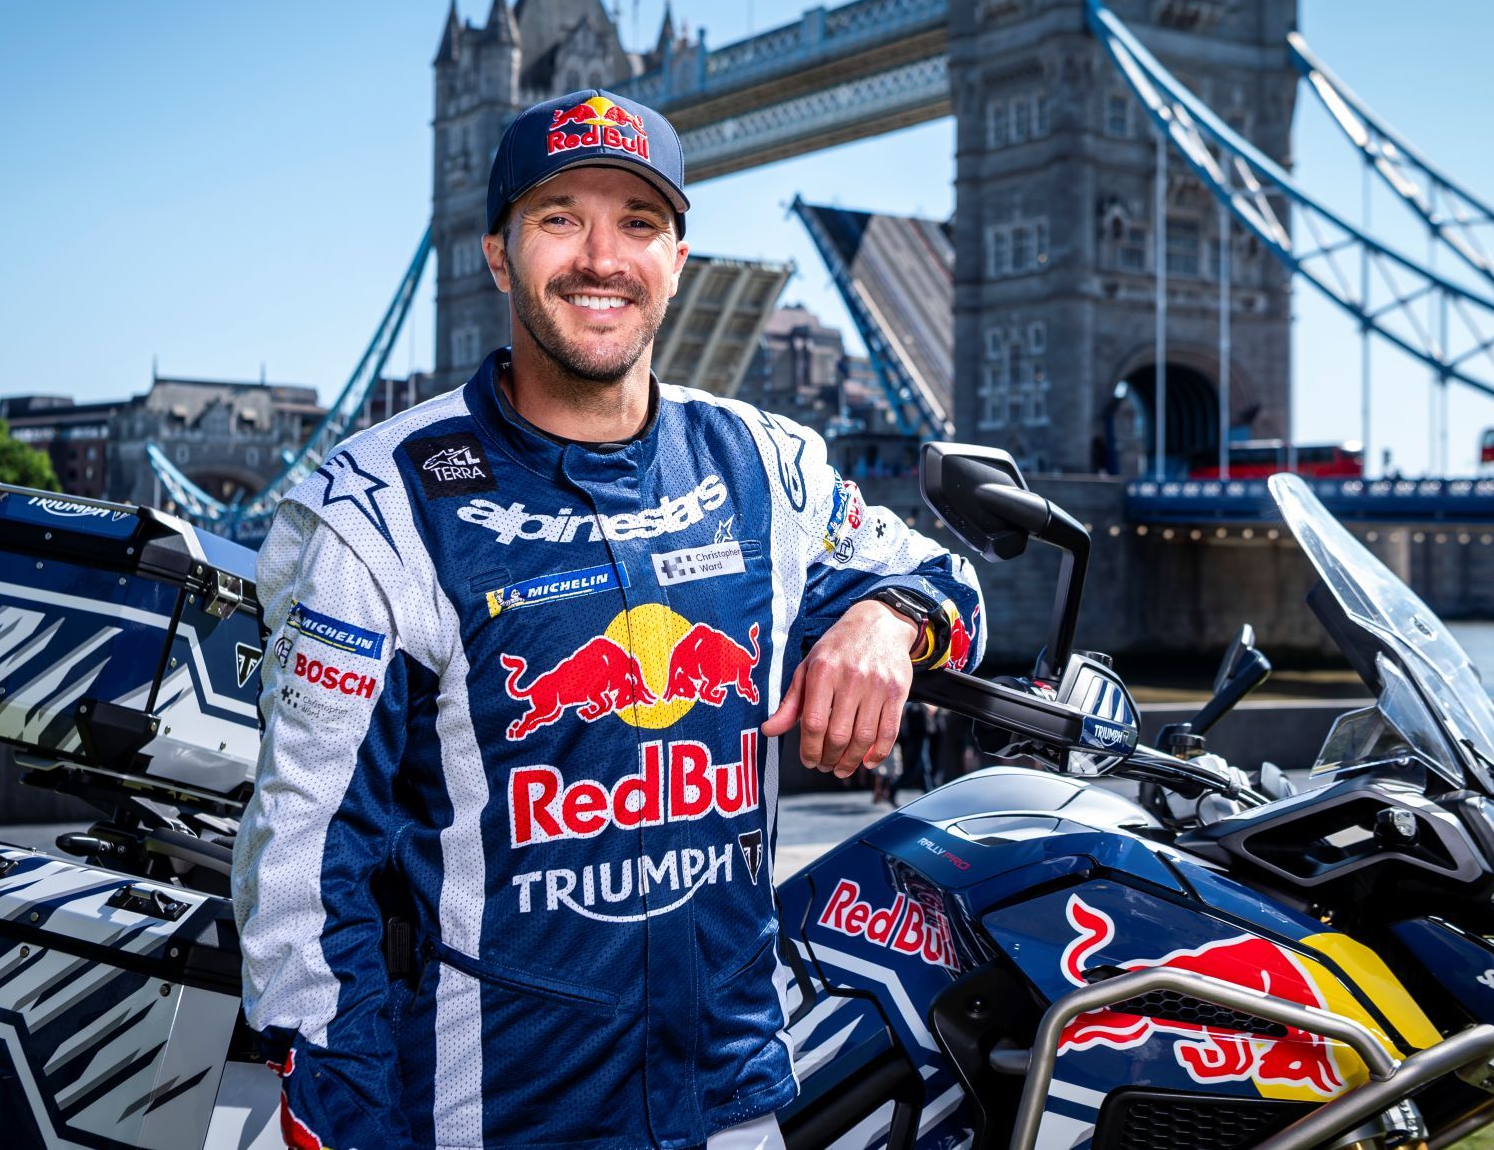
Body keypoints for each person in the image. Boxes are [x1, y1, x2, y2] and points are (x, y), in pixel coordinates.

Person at [231, 87, 986, 1150]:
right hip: (496, 1114)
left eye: (638, 222)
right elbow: (305, 863)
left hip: (730, 1103)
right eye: (559, 218)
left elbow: (950, 584)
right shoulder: (380, 506)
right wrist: (342, 1116)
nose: (601, 257)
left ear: (678, 260)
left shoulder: (763, 466)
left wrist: (887, 618)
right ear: (498, 256)